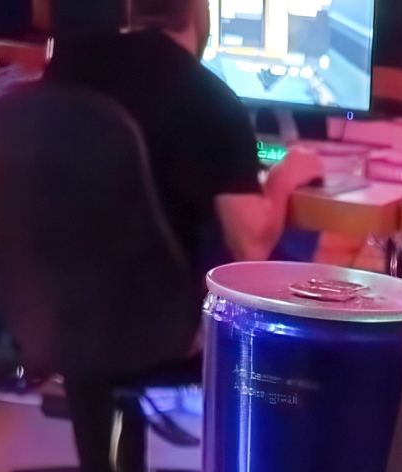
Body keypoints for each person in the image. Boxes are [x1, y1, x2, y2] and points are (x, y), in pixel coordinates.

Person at [46, 0, 320, 275]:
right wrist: (282, 178)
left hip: (43, 291)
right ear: (200, 11)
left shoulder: (67, 67)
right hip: (154, 296)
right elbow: (250, 247)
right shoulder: (213, 100)